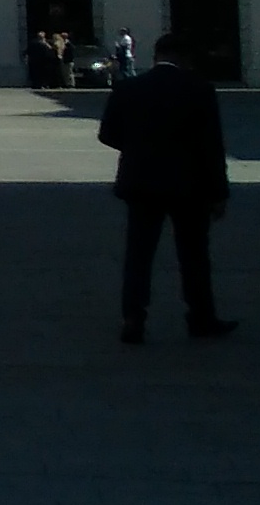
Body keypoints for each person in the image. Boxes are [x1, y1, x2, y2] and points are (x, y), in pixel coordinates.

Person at [98, 29, 234, 344]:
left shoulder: (129, 88)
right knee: (194, 255)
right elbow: (212, 147)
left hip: (141, 182)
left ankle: (133, 318)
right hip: (190, 184)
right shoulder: (199, 89)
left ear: (156, 55)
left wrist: (137, 148)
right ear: (185, 58)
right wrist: (219, 193)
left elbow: (107, 134)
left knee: (139, 254)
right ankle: (200, 317)